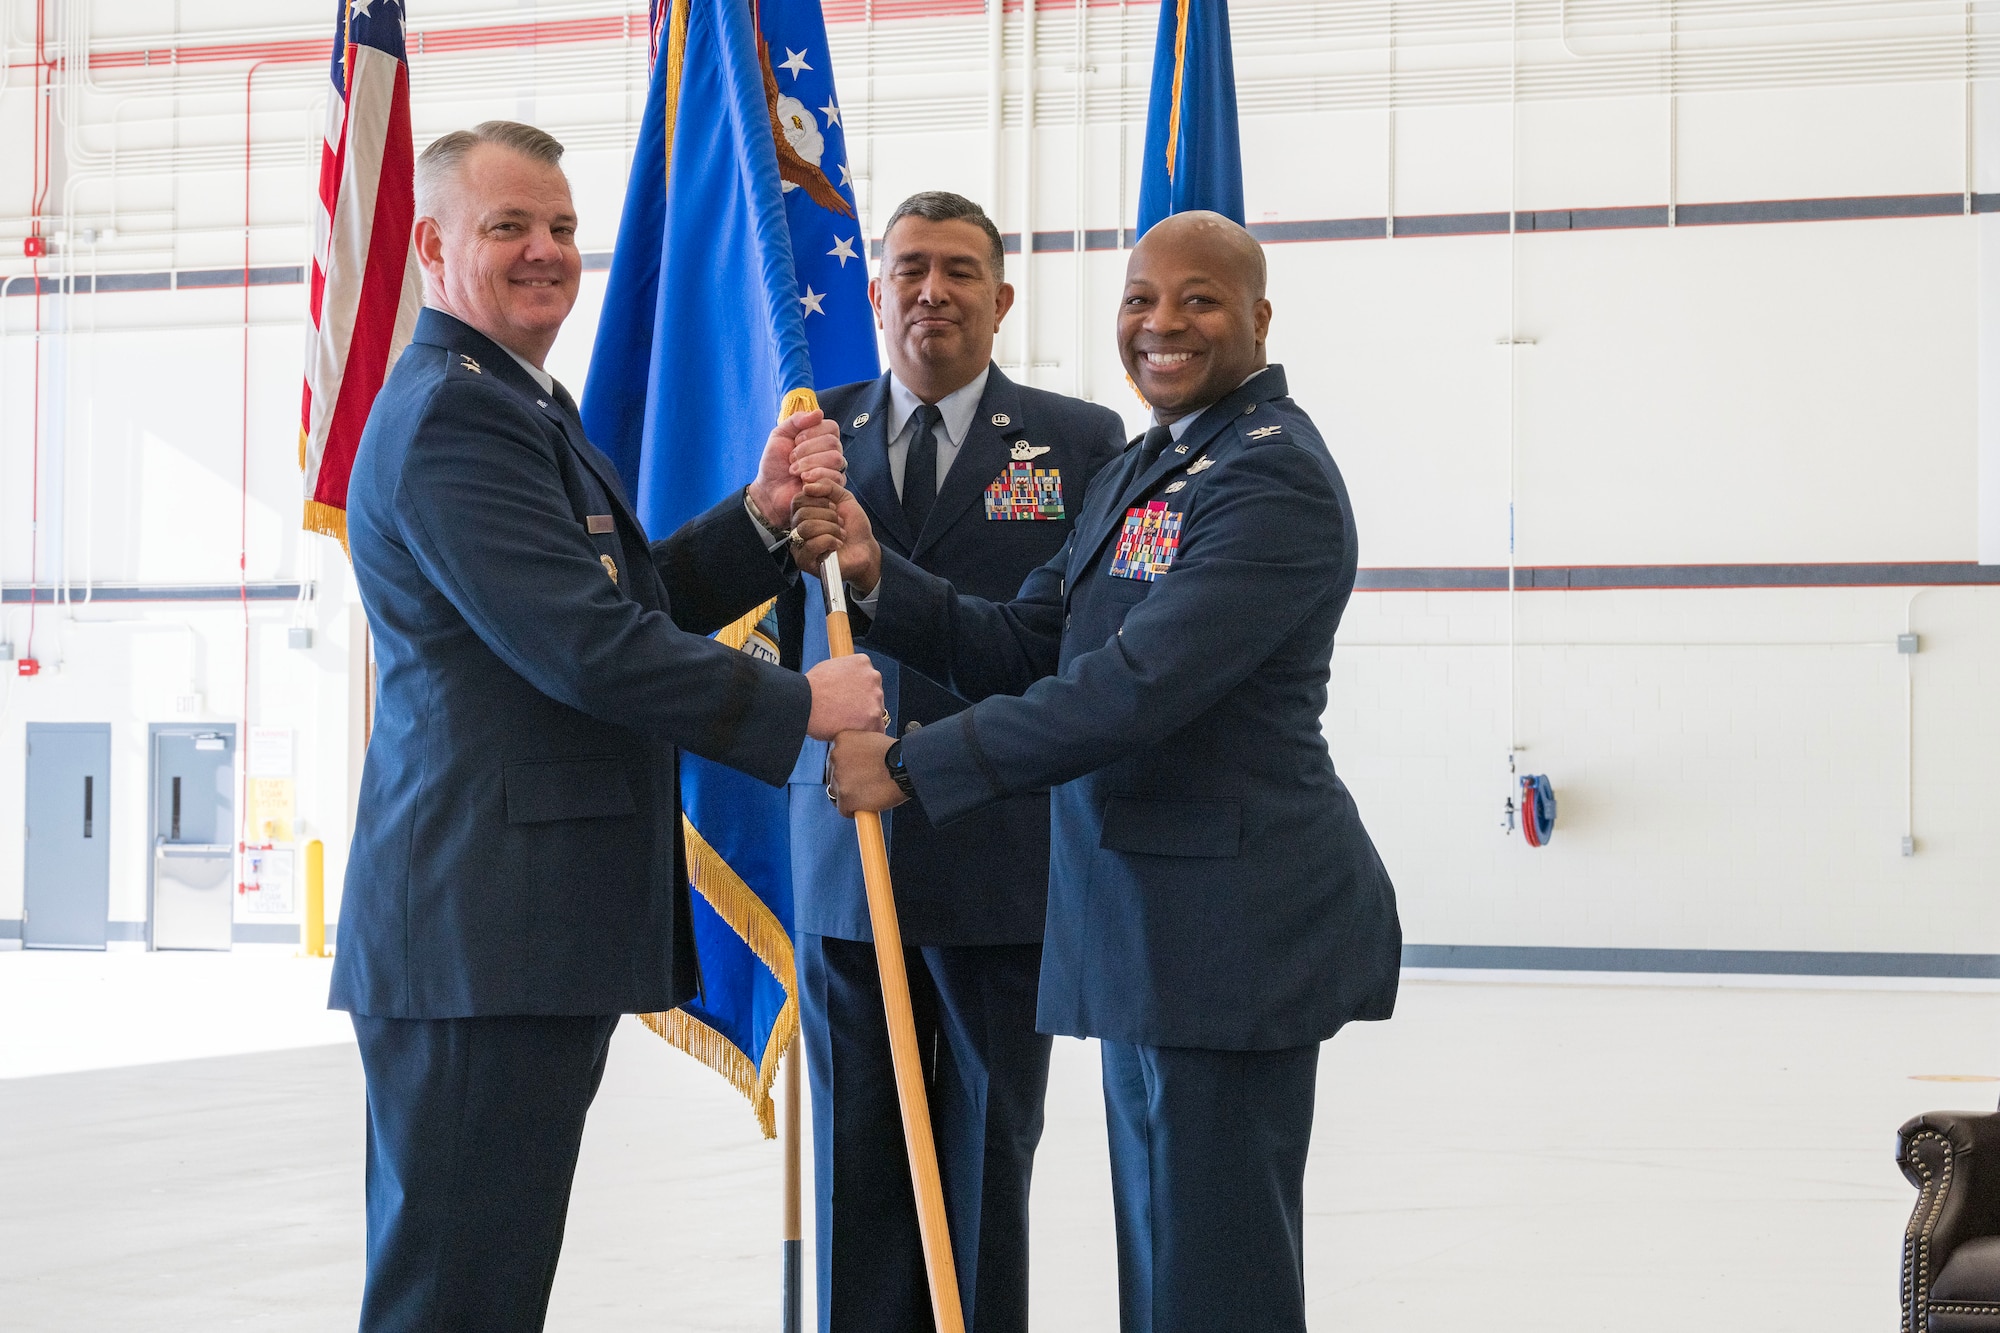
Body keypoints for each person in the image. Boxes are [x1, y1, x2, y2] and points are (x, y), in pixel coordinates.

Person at [329, 120, 883, 1333]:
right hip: (479, 935)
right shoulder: (452, 419)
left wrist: (756, 515)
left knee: (485, 1274)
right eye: (509, 227)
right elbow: (585, 649)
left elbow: (609, 605)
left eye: (564, 228)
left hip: (514, 933)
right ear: (431, 243)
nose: (546, 252)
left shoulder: (521, 403)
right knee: (454, 1291)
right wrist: (801, 708)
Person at [806, 210, 1403, 1333]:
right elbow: (1037, 641)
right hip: (1149, 929)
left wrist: (913, 764)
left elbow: (1131, 688)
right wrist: (879, 576)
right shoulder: (1150, 466)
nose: (1160, 323)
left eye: (1198, 299)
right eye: (1139, 298)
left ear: (1259, 320)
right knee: (1167, 1259)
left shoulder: (1267, 484)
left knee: (1212, 1272)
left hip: (1228, 931)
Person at [782, 191, 1124, 1333]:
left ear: (1001, 296)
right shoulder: (805, 430)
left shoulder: (1077, 442)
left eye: (960, 270)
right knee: (855, 1152)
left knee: (984, 1149)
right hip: (847, 850)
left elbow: (1064, 646)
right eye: (910, 268)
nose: (933, 290)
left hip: (995, 853)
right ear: (874, 292)